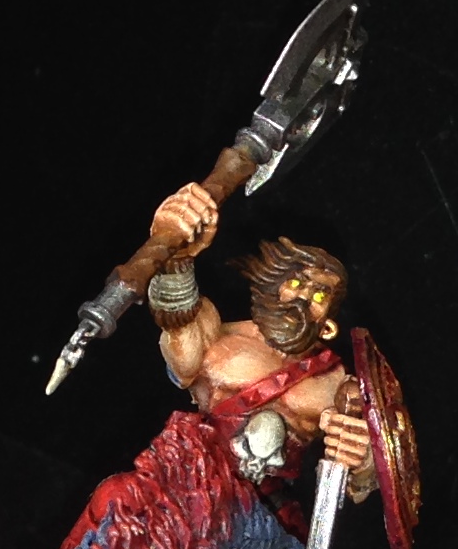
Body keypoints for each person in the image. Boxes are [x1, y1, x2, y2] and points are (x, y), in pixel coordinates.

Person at [140, 179, 377, 518]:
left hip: (263, 514)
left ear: (328, 322)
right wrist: (174, 257)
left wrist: (363, 460)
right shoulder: (216, 337)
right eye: (295, 283)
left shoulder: (339, 382)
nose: (303, 297)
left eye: (319, 295)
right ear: (272, 288)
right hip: (190, 485)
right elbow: (179, 331)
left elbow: (365, 482)